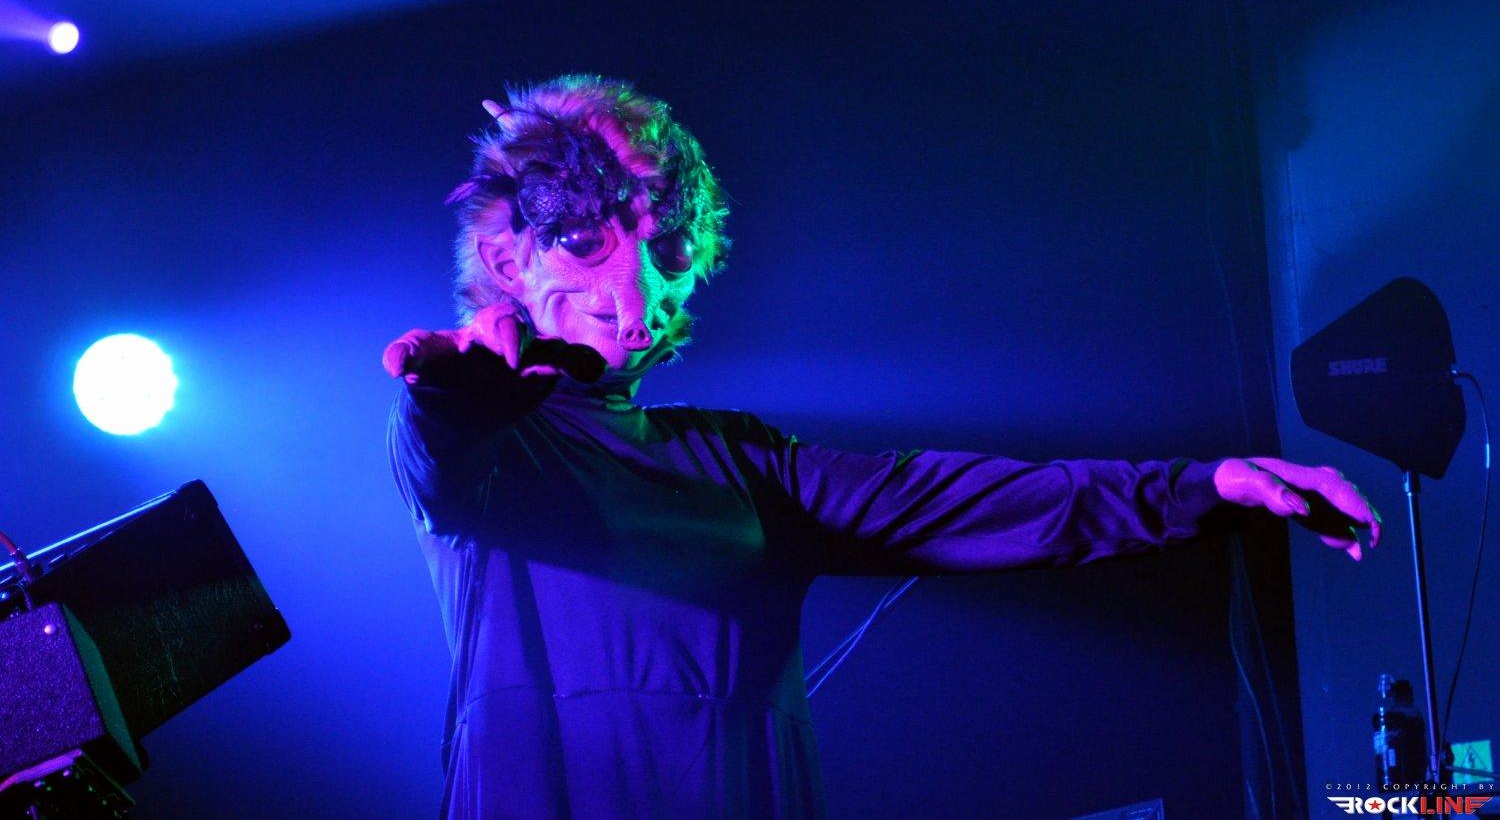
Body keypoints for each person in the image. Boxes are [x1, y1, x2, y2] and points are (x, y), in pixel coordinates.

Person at [384, 74, 1380, 819]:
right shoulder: (495, 448)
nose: (635, 290)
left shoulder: (740, 464)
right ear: (510, 255)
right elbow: (439, 467)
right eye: (589, 242)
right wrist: (454, 397)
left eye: (665, 248)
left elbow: (965, 500)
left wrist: (1210, 484)